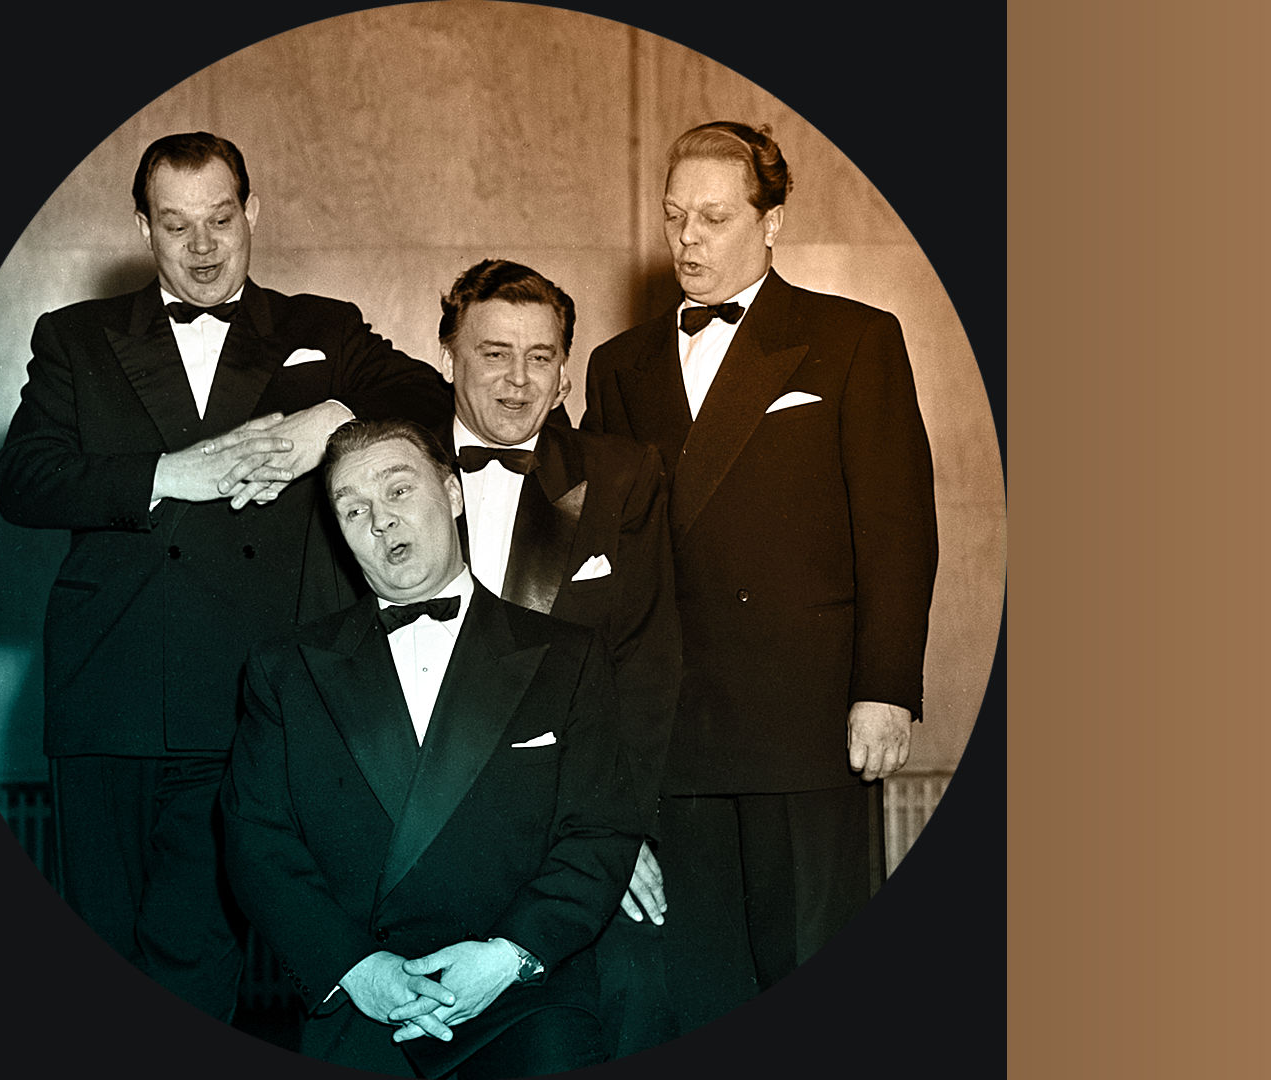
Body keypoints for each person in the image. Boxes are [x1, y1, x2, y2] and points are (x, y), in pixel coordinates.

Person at [0, 131, 452, 1019]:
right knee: (98, 946)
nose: (202, 247)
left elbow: (432, 397)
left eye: (220, 219)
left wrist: (332, 415)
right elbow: (23, 479)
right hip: (108, 691)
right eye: (176, 226)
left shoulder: (320, 328)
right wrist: (172, 472)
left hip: (241, 697)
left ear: (252, 213)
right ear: (143, 228)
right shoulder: (77, 335)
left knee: (196, 957)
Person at [581, 120, 939, 1033]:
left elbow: (897, 530)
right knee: (697, 989)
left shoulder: (852, 339)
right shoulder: (619, 366)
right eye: (674, 217)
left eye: (714, 218)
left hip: (806, 724)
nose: (687, 240)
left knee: (813, 967)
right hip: (674, 729)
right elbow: (602, 562)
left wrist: (885, 689)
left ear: (771, 221)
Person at [221, 419, 641, 1078]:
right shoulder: (286, 669)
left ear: (451, 493)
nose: (381, 520)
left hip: (526, 995)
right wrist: (356, 969)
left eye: (398, 490)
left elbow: (601, 830)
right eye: (354, 509)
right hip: (365, 1002)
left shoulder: (569, 657)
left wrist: (509, 955)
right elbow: (257, 841)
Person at [434, 258, 681, 1056]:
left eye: (540, 357)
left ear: (565, 372)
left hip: (575, 828)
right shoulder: (393, 468)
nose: (518, 380)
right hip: (426, 831)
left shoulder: (622, 477)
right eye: (494, 353)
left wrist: (619, 836)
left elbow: (644, 672)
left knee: (636, 996)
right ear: (449, 356)